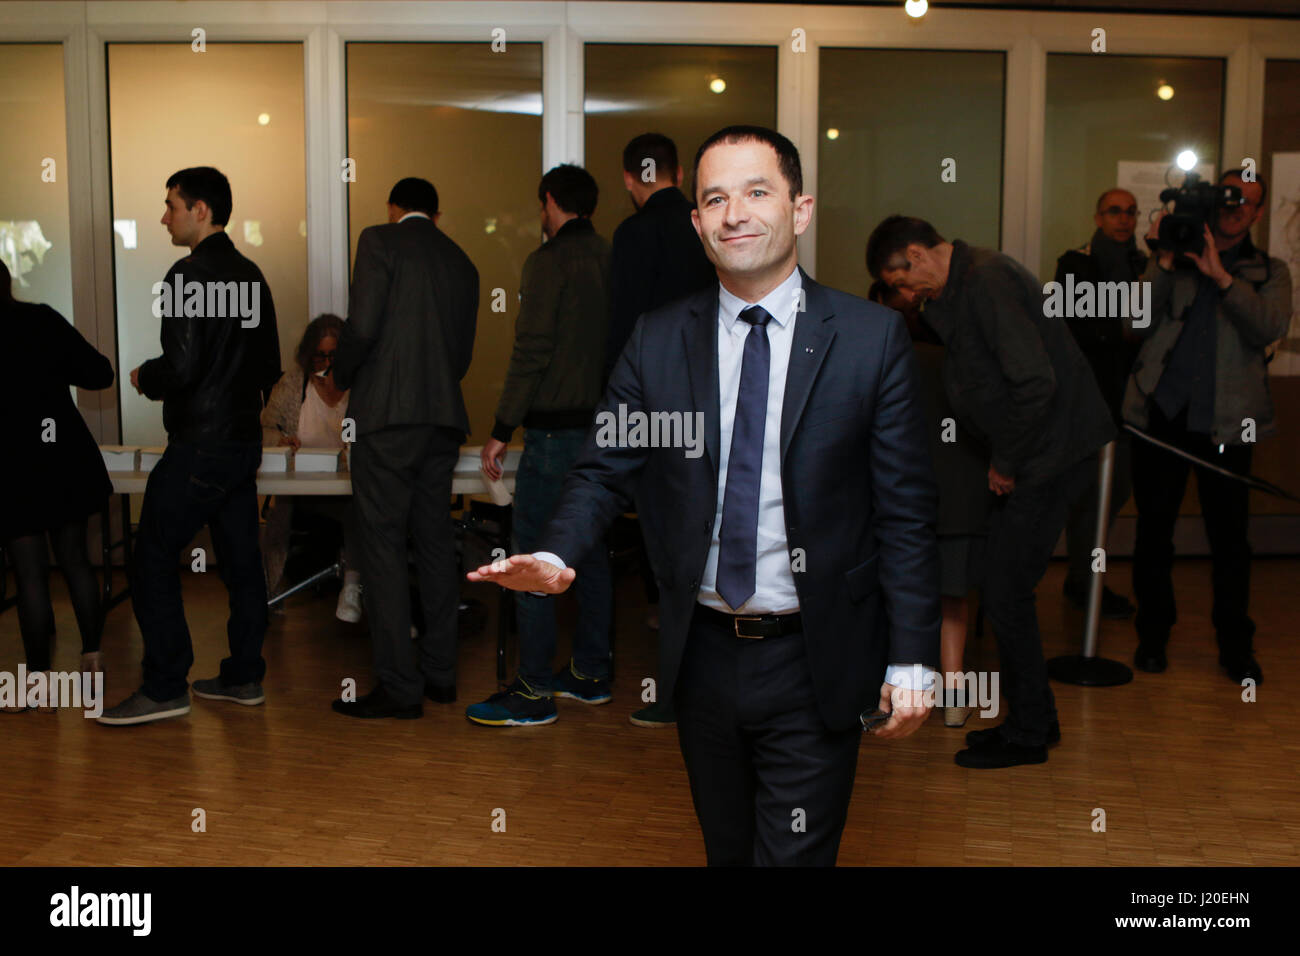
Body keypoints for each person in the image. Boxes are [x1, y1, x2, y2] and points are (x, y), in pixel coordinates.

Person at [471, 126, 939, 865]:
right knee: (728, 851)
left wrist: (912, 657)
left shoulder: (869, 339)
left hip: (817, 654)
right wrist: (556, 554)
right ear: (696, 223)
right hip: (702, 657)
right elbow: (601, 469)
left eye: (757, 192)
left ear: (800, 209)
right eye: (715, 199)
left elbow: (905, 512)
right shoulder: (658, 340)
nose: (735, 213)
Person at [868, 214, 1114, 768]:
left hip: (1047, 456)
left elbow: (1034, 382)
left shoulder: (986, 280)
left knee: (1005, 592)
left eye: (902, 281)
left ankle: (1029, 732)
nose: (904, 295)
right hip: (1038, 454)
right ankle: (1035, 718)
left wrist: (1005, 460)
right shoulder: (961, 287)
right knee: (1003, 588)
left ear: (918, 253)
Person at [99, 166, 281, 726]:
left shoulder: (187, 275)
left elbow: (180, 366)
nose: (164, 218)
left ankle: (163, 686)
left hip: (199, 445)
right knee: (242, 563)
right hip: (241, 444)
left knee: (152, 556)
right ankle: (244, 675)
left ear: (201, 211)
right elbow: (269, 368)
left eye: (171, 206)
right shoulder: (251, 276)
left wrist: (145, 376)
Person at [1124, 168, 1292, 684]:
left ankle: (1235, 647)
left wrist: (1222, 277)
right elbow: (1134, 321)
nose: (1237, 206)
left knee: (1230, 542)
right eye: (1229, 196)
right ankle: (1153, 638)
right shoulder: (1175, 257)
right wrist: (1162, 259)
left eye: (1248, 200)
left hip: (1229, 424)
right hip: (1163, 416)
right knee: (1154, 535)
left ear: (1258, 212)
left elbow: (1270, 326)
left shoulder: (1270, 271)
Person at [330, 177, 479, 719]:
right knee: (436, 545)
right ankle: (441, 675)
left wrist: (339, 375)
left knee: (383, 548)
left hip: (387, 419)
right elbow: (460, 357)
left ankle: (399, 685)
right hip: (442, 421)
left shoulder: (378, 240)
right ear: (435, 214)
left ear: (394, 208)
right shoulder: (462, 262)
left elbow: (363, 326)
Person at [471, 164, 613, 727]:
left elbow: (531, 350)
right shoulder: (611, 257)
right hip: (606, 431)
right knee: (591, 553)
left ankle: (532, 691)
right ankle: (591, 673)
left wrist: (501, 427)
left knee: (531, 557)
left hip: (554, 434)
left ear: (550, 202)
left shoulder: (548, 261)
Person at [610, 132, 716, 730]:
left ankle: (676, 694)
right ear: (678, 172)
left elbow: (624, 333)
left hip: (656, 419)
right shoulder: (705, 227)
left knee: (673, 563)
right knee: (710, 552)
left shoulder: (634, 234)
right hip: (716, 412)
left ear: (631, 180)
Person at [868, 279, 990, 729]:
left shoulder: (877, 354)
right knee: (952, 597)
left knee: (896, 586)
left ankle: (891, 687)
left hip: (897, 490)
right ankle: (954, 698)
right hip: (959, 486)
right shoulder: (960, 357)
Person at [0, 260, 113, 712]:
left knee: (30, 574)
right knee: (76, 561)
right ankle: (92, 661)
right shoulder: (41, 318)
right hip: (63, 458)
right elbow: (99, 374)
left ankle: (40, 685)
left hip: (12, 468)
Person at [1054, 188, 1146, 619]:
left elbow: (1149, 325)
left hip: (1134, 401)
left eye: (1130, 212)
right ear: (1098, 217)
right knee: (1090, 496)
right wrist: (1124, 330)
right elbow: (1077, 328)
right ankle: (1083, 582)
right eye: (1114, 211)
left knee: (1113, 493)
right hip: (1088, 400)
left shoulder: (1145, 264)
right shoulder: (1076, 263)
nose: (1123, 219)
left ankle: (1084, 580)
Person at [260, 313, 361, 622]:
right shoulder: (294, 384)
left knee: (362, 509)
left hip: (352, 488)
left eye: (334, 355)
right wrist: (280, 441)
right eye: (320, 355)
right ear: (308, 355)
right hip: (303, 492)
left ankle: (353, 587)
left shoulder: (361, 384)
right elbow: (264, 428)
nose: (327, 362)